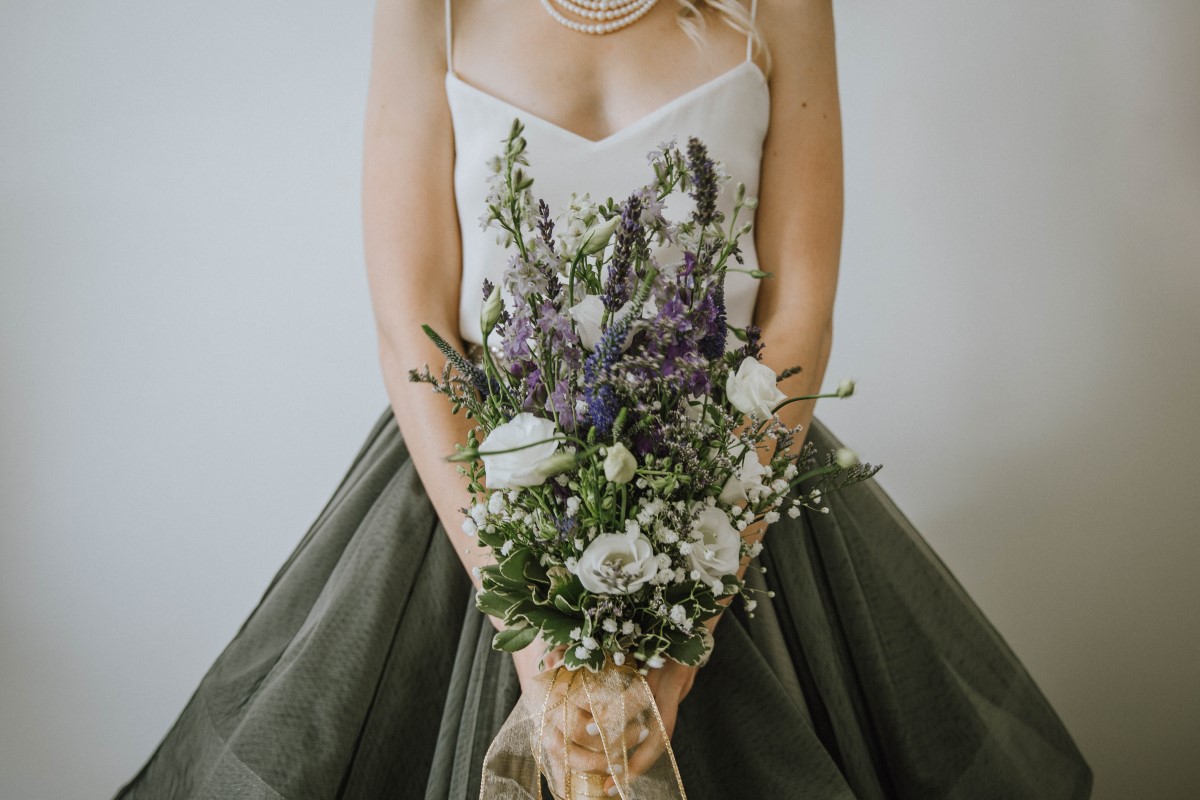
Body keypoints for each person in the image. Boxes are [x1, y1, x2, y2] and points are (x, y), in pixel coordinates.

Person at [112, 1, 1093, 798]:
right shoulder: (428, 9)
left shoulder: (778, 8)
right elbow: (411, 322)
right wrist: (535, 635)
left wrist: (683, 630)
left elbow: (797, 320)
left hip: (727, 494)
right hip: (474, 502)